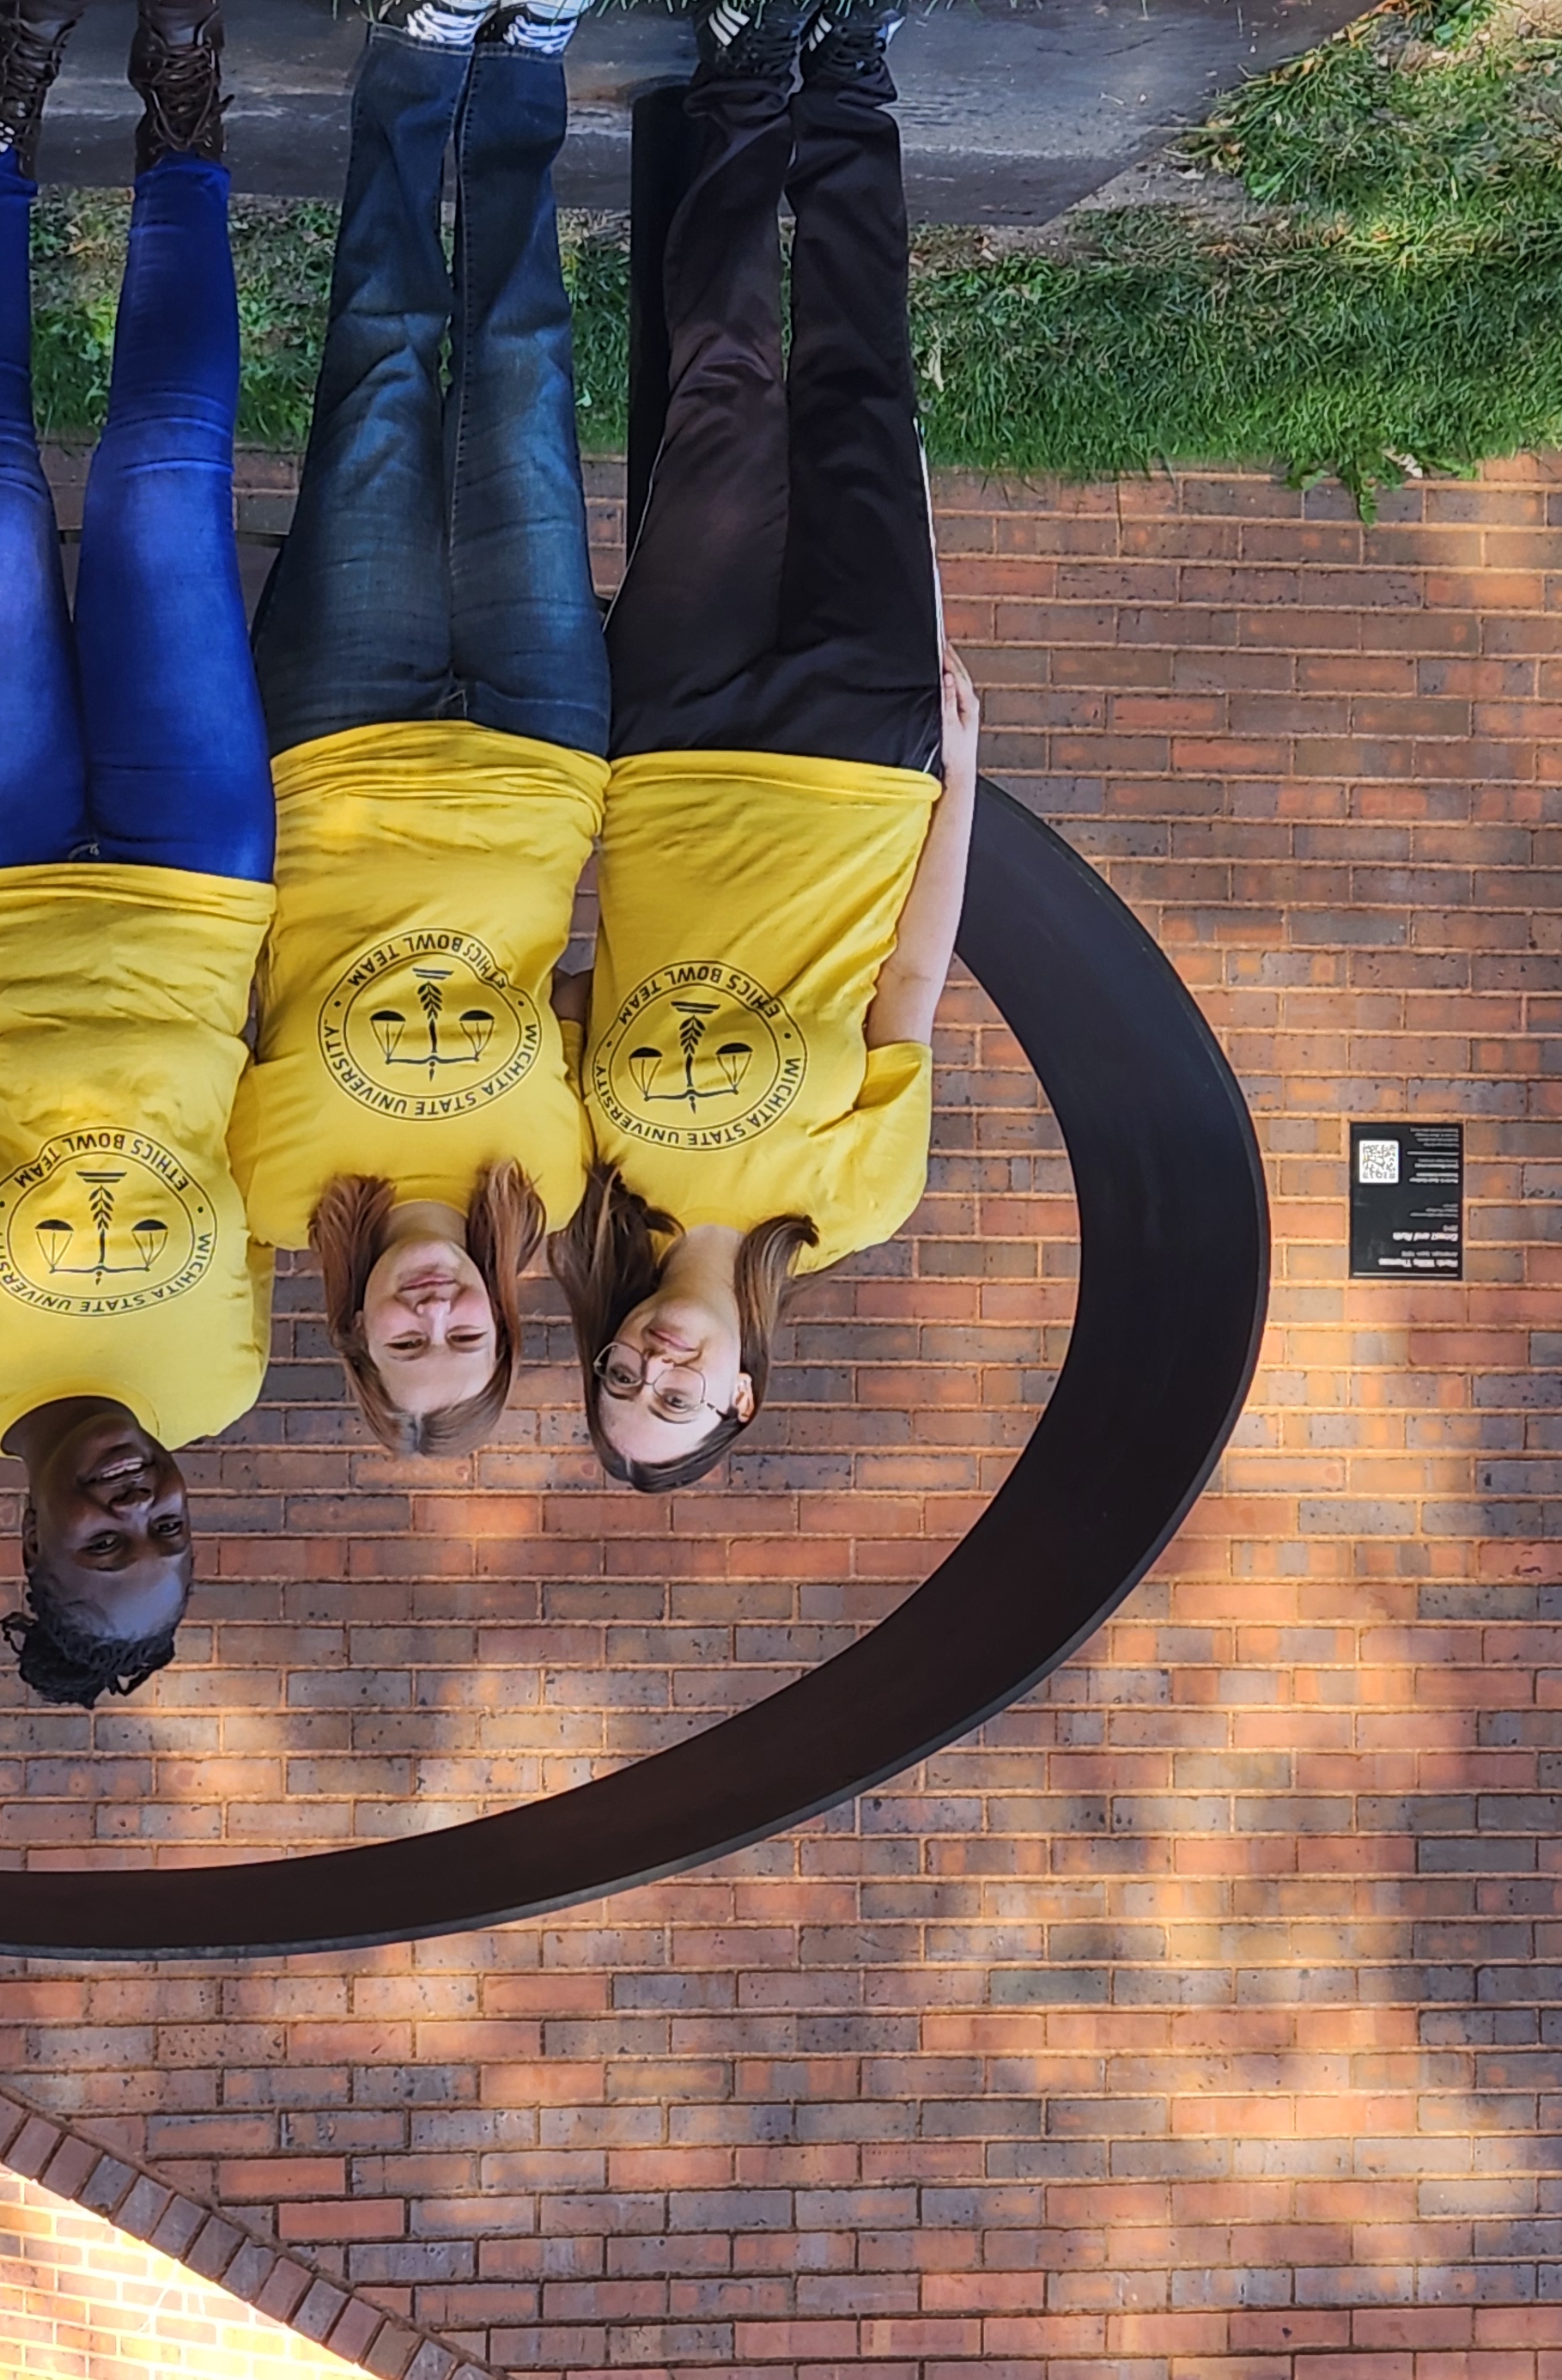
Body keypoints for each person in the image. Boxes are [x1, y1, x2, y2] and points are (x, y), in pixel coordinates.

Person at [0, 0, 275, 1708]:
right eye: (172, 1536)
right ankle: (181, 117)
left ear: (24, 1548)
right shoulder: (226, 1371)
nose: (144, 1504)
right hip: (191, 890)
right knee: (169, 485)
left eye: (106, 1544)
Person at [553, 0, 981, 1490]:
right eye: (675, 1400)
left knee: (721, 395)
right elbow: (914, 981)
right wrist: (959, 782)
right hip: (865, 760)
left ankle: (745, 71)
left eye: (619, 1379)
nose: (654, 1368)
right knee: (864, 398)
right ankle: (852, 70)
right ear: (744, 1397)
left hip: (672, 740)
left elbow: (562, 962)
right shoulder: (858, 1206)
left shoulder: (591, 1182)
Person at [235, 0, 612, 1459]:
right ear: (509, 1322)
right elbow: (602, 998)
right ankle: (519, 68)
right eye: (470, 1340)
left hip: (337, 736)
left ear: (355, 1330)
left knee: (380, 371)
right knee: (524, 373)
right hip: (538, 744)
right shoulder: (556, 1184)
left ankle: (412, 58)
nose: (437, 1314)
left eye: (408, 1344)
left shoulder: (275, 1192)